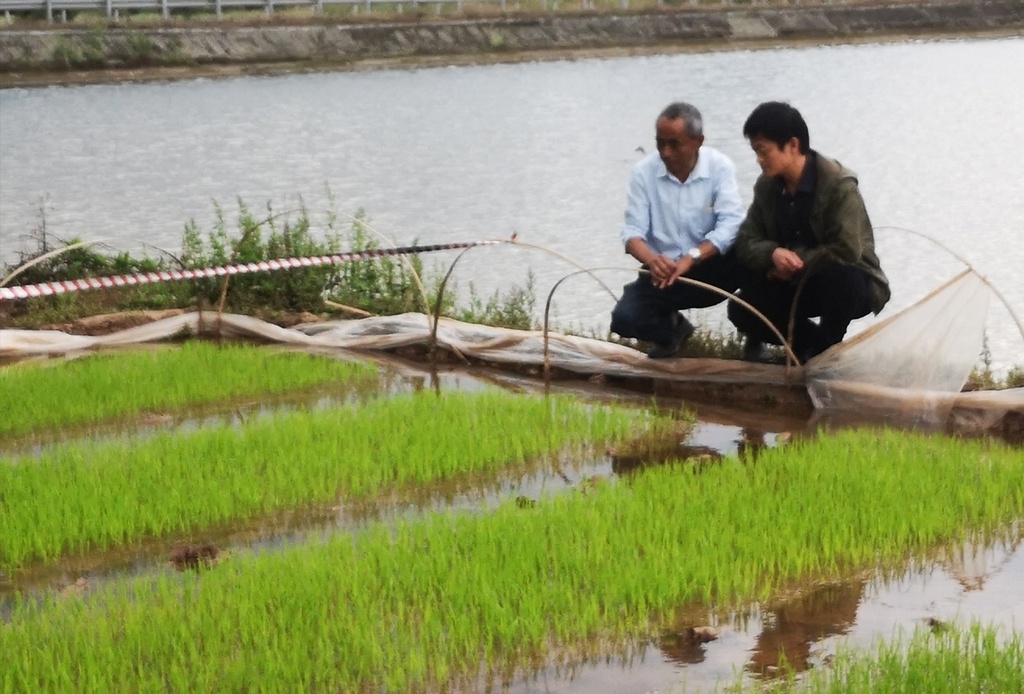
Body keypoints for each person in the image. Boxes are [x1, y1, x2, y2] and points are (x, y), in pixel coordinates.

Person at [727, 101, 890, 363]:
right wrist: (772, 254)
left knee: (842, 278)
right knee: (741, 308)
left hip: (846, 285)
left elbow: (847, 250)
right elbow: (746, 240)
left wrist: (795, 263)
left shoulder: (839, 185)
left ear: (792, 145)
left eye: (763, 151)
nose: (758, 159)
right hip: (792, 282)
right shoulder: (766, 187)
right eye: (755, 151)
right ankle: (812, 349)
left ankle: (823, 350)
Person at [610, 102, 748, 359]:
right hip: (664, 273)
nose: (666, 152)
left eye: (674, 144)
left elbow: (731, 223)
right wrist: (652, 260)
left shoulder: (720, 166)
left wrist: (692, 257)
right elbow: (632, 233)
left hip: (713, 265)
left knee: (753, 254)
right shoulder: (642, 173)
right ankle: (672, 330)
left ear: (698, 141)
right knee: (624, 320)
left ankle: (755, 338)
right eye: (660, 143)